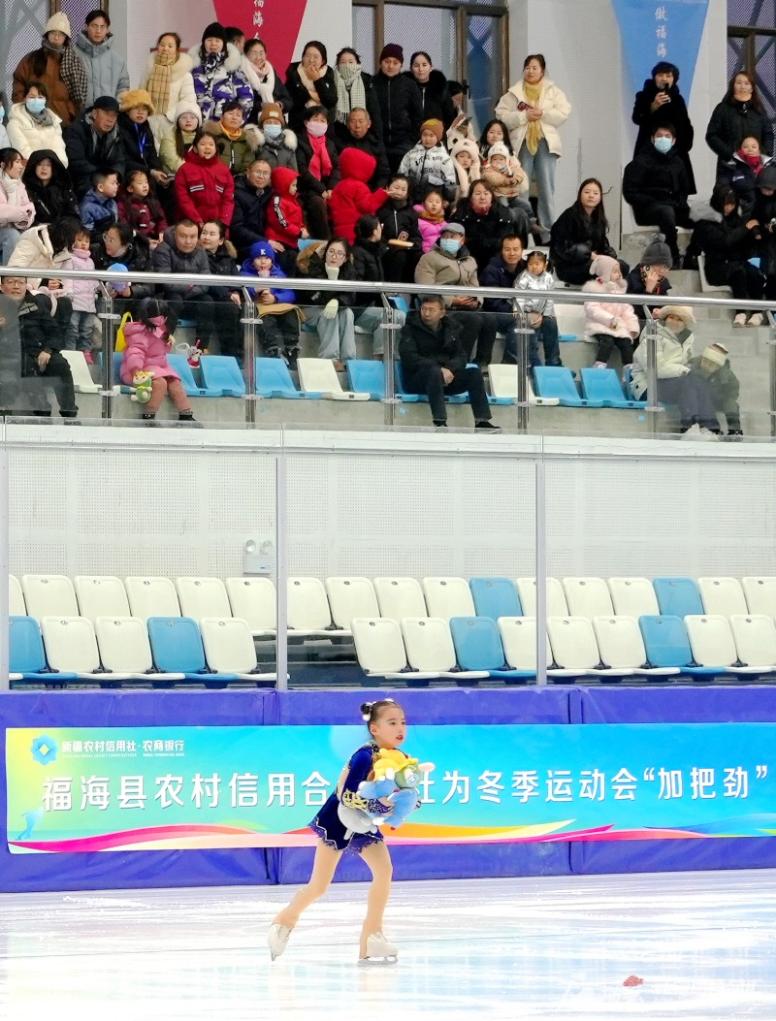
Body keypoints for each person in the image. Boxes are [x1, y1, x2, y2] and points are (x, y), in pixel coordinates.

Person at [268, 699, 413, 963]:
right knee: (319, 885)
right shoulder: (365, 755)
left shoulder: (399, 758)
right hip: (339, 818)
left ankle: (372, 937)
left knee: (384, 871)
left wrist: (403, 803)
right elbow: (346, 795)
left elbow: (399, 791)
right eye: (392, 723)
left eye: (403, 722)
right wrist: (376, 805)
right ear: (374, 729)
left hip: (364, 822)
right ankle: (283, 921)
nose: (400, 728)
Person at [495, 54, 571, 229]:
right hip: (521, 143)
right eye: (527, 68)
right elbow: (501, 115)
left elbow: (564, 112)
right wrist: (524, 116)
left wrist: (543, 114)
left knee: (547, 188)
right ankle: (522, 228)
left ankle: (547, 231)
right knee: (521, 186)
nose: (530, 71)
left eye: (534, 68)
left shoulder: (553, 91)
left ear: (542, 71)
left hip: (545, 142)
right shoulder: (514, 92)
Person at [400, 293, 498, 429]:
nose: (426, 313)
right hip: (418, 379)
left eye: (431, 310)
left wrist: (450, 369)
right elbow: (409, 358)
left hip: (445, 379)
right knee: (434, 372)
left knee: (474, 374)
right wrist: (440, 369)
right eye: (424, 309)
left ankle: (482, 420)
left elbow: (461, 356)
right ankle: (440, 421)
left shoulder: (450, 328)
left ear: (442, 313)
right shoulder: (410, 328)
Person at [631, 306, 720, 438]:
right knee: (688, 382)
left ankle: (710, 429)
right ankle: (690, 428)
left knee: (699, 382)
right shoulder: (652, 336)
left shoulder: (686, 340)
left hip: (675, 383)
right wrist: (685, 370)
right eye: (671, 317)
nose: (674, 321)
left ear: (684, 324)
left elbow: (688, 364)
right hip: (648, 386)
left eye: (679, 319)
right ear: (665, 319)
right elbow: (656, 369)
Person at [0, 273, 78, 419]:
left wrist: (48, 350)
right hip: (9, 356)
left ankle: (69, 415)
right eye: (11, 282)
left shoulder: (36, 304)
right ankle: (42, 413)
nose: (16, 286)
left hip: (39, 352)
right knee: (25, 366)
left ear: (26, 285)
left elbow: (54, 332)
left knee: (60, 365)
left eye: (20, 282)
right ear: (2, 287)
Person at [691, 184, 764, 328]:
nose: (728, 208)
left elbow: (742, 244)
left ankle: (757, 312)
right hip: (716, 267)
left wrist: (753, 234)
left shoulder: (736, 220)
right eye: (726, 204)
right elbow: (724, 241)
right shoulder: (706, 221)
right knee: (738, 271)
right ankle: (740, 312)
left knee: (753, 271)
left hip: (736, 262)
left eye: (732, 204)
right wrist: (745, 228)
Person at [623, 124, 693, 267]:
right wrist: (649, 200)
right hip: (648, 208)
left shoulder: (678, 162)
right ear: (652, 139)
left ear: (673, 140)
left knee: (703, 217)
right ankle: (673, 254)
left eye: (667, 136)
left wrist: (681, 202)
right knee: (666, 213)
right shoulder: (641, 161)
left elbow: (684, 188)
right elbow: (630, 192)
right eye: (659, 136)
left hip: (674, 205)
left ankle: (692, 256)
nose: (663, 139)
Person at [415, 222, 486, 362]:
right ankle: (460, 362)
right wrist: (452, 300)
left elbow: (475, 287)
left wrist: (476, 301)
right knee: (473, 320)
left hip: (466, 306)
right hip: (442, 308)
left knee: (490, 320)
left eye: (452, 236)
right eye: (445, 236)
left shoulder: (470, 261)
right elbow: (425, 289)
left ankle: (482, 362)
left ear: (462, 240)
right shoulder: (428, 258)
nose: (447, 239)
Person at [120, 296, 196, 425]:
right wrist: (136, 371)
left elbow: (160, 352)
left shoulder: (160, 330)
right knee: (160, 383)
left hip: (158, 368)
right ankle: (149, 415)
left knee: (174, 381)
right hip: (139, 371)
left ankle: (186, 414)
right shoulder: (139, 333)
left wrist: (167, 342)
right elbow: (135, 353)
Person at [631, 61, 696, 194]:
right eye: (660, 75)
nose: (664, 79)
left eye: (668, 76)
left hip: (675, 152)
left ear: (674, 79)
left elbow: (686, 125)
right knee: (648, 190)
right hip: (649, 151)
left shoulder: (678, 99)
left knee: (678, 192)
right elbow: (637, 118)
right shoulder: (643, 96)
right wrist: (652, 107)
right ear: (654, 77)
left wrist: (683, 146)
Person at [12, 13, 87, 126]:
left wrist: (70, 112)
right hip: (32, 120)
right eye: (53, 33)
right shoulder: (32, 59)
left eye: (61, 34)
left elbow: (77, 94)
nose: (56, 37)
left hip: (63, 123)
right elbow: (19, 83)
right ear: (47, 34)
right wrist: (23, 107)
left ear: (66, 38)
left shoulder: (73, 62)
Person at [152, 220, 215, 353]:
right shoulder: (163, 249)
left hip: (192, 297)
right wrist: (190, 286)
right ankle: (162, 344)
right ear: (175, 235)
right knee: (175, 299)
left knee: (207, 301)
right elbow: (166, 282)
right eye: (183, 236)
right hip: (166, 297)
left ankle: (200, 349)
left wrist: (190, 289)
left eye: (192, 237)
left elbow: (206, 281)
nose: (188, 241)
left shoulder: (201, 251)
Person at [299, 237, 358, 367]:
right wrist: (332, 281)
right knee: (329, 314)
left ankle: (349, 360)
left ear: (345, 258)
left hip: (332, 308)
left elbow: (351, 297)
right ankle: (329, 359)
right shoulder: (314, 267)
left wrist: (337, 300)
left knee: (347, 313)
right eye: (331, 251)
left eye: (340, 253)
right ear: (325, 253)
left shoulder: (349, 271)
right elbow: (315, 298)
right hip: (308, 310)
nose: (334, 256)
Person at [550, 178, 621, 286]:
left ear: (600, 197)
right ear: (580, 195)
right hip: (569, 266)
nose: (591, 195)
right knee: (606, 268)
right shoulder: (569, 216)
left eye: (595, 193)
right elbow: (561, 247)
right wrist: (589, 255)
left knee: (621, 266)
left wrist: (611, 258)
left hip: (592, 263)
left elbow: (603, 245)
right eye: (587, 192)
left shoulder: (598, 218)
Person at [239, 239, 300, 364]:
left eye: (266, 258)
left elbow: (290, 294)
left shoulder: (279, 274)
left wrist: (276, 298)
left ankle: (291, 348)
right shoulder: (245, 273)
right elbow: (243, 291)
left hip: (277, 306)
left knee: (290, 316)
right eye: (258, 258)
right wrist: (258, 287)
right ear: (252, 260)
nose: (263, 262)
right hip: (259, 309)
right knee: (267, 320)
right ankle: (273, 349)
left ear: (272, 260)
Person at [706, 72, 774, 175]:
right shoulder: (723, 108)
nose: (742, 86)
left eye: (746, 83)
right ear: (733, 86)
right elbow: (712, 135)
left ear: (752, 88)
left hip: (755, 168)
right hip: (729, 167)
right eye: (738, 83)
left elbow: (768, 134)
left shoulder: (759, 110)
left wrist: (763, 154)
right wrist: (730, 154)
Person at [581, 254, 639, 371]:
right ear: (605, 273)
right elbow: (593, 309)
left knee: (626, 342)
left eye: (619, 271)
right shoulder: (594, 289)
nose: (619, 274)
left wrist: (632, 327)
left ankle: (629, 369)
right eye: (615, 272)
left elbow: (627, 310)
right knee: (608, 341)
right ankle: (599, 366)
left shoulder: (619, 291)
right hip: (599, 324)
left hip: (617, 326)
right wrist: (610, 320)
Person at [372, 45, 423, 173]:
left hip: (403, 143)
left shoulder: (409, 85)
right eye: (387, 61)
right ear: (380, 62)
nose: (390, 66)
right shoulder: (372, 84)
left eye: (395, 63)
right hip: (377, 143)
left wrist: (412, 139)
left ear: (401, 65)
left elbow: (418, 115)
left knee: (402, 180)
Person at [65, 94, 126, 198]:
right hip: (82, 178)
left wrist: (114, 175)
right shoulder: (76, 130)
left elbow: (120, 161)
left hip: (105, 177)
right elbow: (76, 162)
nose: (110, 120)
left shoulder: (117, 133)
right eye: (107, 114)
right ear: (94, 113)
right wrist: (102, 176)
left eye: (114, 116)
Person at [199, 219, 243, 362]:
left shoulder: (227, 257)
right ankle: (230, 355)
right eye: (204, 233)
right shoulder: (197, 255)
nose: (206, 237)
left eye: (212, 234)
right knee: (228, 308)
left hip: (227, 297)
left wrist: (235, 292)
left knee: (248, 309)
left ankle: (242, 354)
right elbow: (207, 280)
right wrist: (228, 294)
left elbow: (236, 279)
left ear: (221, 240)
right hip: (206, 297)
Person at [141, 32, 196, 146]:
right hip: (148, 122)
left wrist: (167, 117)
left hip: (172, 124)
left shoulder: (184, 74)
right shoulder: (150, 69)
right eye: (162, 45)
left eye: (170, 46)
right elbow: (141, 94)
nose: (165, 48)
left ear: (177, 49)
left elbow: (188, 101)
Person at [192, 22, 253, 124]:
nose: (213, 44)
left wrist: (237, 120)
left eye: (217, 40)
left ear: (224, 44)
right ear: (203, 42)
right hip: (196, 124)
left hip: (224, 126)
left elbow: (246, 97)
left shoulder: (232, 67)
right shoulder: (194, 67)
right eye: (209, 40)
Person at [480, 233, 526, 365]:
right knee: (520, 321)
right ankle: (508, 363)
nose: (512, 253)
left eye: (516, 249)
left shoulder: (527, 269)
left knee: (549, 321)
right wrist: (518, 311)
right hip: (495, 315)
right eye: (507, 249)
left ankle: (552, 363)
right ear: (501, 251)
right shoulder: (491, 270)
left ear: (522, 251)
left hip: (520, 312)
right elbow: (492, 302)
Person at [454, 179, 518, 272]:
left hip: (495, 257)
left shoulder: (502, 213)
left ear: (492, 197)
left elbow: (503, 241)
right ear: (470, 198)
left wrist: (479, 242)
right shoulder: (461, 213)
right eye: (477, 194)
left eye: (486, 193)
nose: (482, 197)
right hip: (469, 258)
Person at [328, 148, 388, 245]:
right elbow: (367, 206)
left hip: (339, 230)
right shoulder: (359, 186)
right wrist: (382, 194)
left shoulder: (339, 186)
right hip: (356, 231)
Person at [296, 106, 340, 239]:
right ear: (306, 122)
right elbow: (302, 169)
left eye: (323, 120)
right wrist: (321, 190)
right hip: (306, 188)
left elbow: (337, 168)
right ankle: (326, 240)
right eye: (315, 119)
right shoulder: (299, 141)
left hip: (327, 187)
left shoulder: (329, 144)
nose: (319, 123)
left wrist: (331, 188)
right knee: (317, 203)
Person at [174, 132, 235, 228]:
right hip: (190, 224)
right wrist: (197, 220)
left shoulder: (224, 170)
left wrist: (223, 223)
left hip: (217, 226)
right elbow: (183, 199)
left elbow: (228, 200)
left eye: (211, 144)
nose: (207, 147)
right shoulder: (184, 170)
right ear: (195, 148)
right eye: (202, 144)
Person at [515, 249, 563, 368]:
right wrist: (521, 313)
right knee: (531, 326)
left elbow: (550, 299)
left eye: (537, 264)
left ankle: (554, 362)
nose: (534, 267)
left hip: (542, 313)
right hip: (527, 312)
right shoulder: (523, 277)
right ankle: (533, 363)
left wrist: (545, 314)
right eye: (531, 264)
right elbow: (519, 297)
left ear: (544, 265)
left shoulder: (549, 278)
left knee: (551, 322)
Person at [74, 9, 129, 109]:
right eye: (94, 26)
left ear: (107, 30)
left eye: (102, 27)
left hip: (108, 114)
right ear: (86, 27)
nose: (98, 31)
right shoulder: (72, 55)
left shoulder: (117, 61)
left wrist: (114, 110)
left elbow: (123, 88)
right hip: (79, 115)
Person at [7, 82, 68, 165]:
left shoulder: (53, 121)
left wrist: (58, 166)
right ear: (25, 98)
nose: (36, 100)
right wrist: (41, 166)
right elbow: (23, 150)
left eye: (40, 97)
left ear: (45, 100)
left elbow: (59, 147)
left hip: (53, 168)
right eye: (32, 97)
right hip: (29, 169)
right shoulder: (15, 123)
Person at [689, 343, 743, 438]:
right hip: (699, 399)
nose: (706, 365)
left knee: (731, 405)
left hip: (718, 398)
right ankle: (711, 430)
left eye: (711, 364)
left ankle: (735, 431)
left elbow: (733, 390)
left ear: (718, 366)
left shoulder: (726, 375)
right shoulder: (692, 367)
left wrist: (727, 398)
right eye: (705, 361)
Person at [398, 118, 456, 203]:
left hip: (433, 201)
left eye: (431, 135)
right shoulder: (411, 154)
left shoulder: (444, 158)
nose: (427, 139)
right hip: (411, 198)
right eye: (424, 135)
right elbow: (402, 173)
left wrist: (448, 198)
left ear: (438, 137)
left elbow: (450, 179)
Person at [285, 41, 338, 134]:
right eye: (307, 56)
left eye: (315, 57)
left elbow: (330, 101)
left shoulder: (328, 73)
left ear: (323, 61)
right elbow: (292, 99)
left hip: (324, 128)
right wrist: (310, 94)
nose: (311, 60)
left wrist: (317, 79)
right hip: (299, 126)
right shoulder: (294, 73)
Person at [481, 141, 532, 236]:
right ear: (490, 160)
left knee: (526, 205)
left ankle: (531, 225)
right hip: (498, 196)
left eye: (501, 159)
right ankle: (508, 228)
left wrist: (513, 176)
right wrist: (507, 180)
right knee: (506, 209)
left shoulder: (511, 168)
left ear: (507, 160)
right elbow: (494, 179)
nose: (498, 161)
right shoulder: (488, 170)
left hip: (513, 196)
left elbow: (520, 175)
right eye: (495, 159)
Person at [118, 91, 168, 187]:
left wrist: (158, 170)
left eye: (144, 109)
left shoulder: (146, 127)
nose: (140, 112)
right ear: (127, 110)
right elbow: (124, 160)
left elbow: (152, 154)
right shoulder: (120, 128)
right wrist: (150, 171)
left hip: (146, 173)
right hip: (128, 174)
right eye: (136, 108)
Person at [378, 174, 422, 283]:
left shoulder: (411, 213)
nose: (399, 192)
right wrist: (385, 247)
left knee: (419, 256)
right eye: (396, 188)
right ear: (387, 188)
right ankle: (393, 288)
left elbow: (415, 236)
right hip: (385, 249)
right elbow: (376, 233)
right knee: (399, 256)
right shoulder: (380, 209)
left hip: (405, 249)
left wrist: (412, 245)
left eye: (403, 189)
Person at [63, 225, 98, 362]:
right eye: (80, 240)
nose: (84, 244)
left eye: (87, 241)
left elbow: (93, 279)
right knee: (73, 329)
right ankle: (71, 353)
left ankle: (85, 352)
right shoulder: (70, 259)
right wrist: (68, 293)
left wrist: (96, 291)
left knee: (87, 330)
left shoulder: (91, 261)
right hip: (74, 302)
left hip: (89, 303)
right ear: (73, 241)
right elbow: (67, 277)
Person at [716, 135, 773, 217]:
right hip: (740, 211)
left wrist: (770, 189)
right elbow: (721, 185)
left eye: (754, 147)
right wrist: (730, 196)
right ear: (740, 149)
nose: (750, 149)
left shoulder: (769, 167)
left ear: (759, 150)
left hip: (764, 212)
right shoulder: (731, 166)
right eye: (745, 147)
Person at [334, 108, 390, 189]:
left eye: (361, 121)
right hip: (346, 189)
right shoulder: (339, 144)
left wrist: (375, 193)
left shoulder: (376, 144)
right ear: (348, 125)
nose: (357, 126)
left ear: (369, 124)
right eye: (353, 121)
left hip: (370, 189)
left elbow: (383, 173)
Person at [22, 150, 78, 226]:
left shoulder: (64, 190)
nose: (44, 168)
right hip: (36, 230)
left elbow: (73, 216)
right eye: (39, 164)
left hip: (62, 229)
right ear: (34, 167)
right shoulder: (25, 190)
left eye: (48, 165)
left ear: (54, 168)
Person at [204, 100, 259, 177]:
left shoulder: (247, 140)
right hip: (212, 176)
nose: (234, 117)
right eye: (230, 113)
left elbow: (248, 165)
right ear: (222, 117)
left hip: (238, 180)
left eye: (238, 115)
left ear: (242, 121)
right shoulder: (211, 135)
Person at [0, 149, 36, 264]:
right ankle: (10, 274)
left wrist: (17, 215)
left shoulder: (19, 185)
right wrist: (22, 213)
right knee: (12, 235)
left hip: (13, 228)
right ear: (3, 164)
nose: (21, 166)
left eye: (21, 162)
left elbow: (31, 211)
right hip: (5, 231)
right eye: (17, 162)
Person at [625, 235, 672, 323]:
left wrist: (661, 313)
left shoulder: (663, 284)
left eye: (666, 267)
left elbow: (662, 310)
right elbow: (632, 313)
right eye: (658, 265)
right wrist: (648, 291)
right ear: (647, 265)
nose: (662, 270)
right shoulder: (631, 280)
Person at [230, 159, 272, 258]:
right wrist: (265, 241)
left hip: (263, 241)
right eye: (258, 172)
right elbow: (236, 228)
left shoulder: (270, 193)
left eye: (265, 173)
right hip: (243, 245)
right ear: (248, 172)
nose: (261, 176)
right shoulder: (237, 193)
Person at [334, 49, 382, 132]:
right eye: (343, 62)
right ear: (337, 65)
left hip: (363, 133)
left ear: (357, 63)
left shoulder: (367, 81)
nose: (347, 65)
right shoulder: (333, 80)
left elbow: (374, 113)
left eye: (351, 62)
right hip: (338, 132)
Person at [243, 39, 292, 119]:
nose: (258, 57)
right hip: (252, 120)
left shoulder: (270, 73)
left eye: (261, 53)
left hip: (275, 119)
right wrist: (261, 106)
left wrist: (279, 105)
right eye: (254, 53)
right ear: (246, 55)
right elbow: (242, 103)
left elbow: (288, 100)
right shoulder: (242, 73)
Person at [117, 169, 168, 245]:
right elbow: (124, 226)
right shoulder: (123, 205)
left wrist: (162, 232)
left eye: (146, 182)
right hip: (136, 241)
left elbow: (161, 219)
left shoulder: (153, 201)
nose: (145, 185)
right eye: (140, 183)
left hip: (155, 238)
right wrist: (145, 240)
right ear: (130, 188)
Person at [406, 52, 456, 127]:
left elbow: (449, 116)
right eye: (416, 66)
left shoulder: (441, 88)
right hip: (410, 133)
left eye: (424, 65)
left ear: (431, 67)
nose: (420, 69)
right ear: (411, 69)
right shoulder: (404, 89)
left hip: (436, 133)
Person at [264, 166, 307, 255]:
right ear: (283, 185)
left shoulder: (292, 199)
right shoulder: (277, 201)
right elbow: (281, 222)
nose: (296, 188)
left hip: (290, 239)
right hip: (279, 239)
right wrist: (298, 232)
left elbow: (296, 219)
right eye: (293, 185)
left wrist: (302, 228)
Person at [158, 101, 202, 177]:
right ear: (177, 121)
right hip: (173, 176)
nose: (188, 120)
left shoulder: (203, 137)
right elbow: (173, 161)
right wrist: (193, 173)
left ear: (198, 121)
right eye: (184, 117)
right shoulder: (169, 136)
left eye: (192, 117)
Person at [753, 164, 776, 300]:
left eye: (770, 189)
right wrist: (756, 231)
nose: (766, 192)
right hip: (761, 243)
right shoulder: (757, 201)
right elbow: (752, 220)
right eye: (764, 189)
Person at [253, 103, 298, 171]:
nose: (272, 125)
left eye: (276, 123)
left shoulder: (288, 144)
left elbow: (293, 172)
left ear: (281, 126)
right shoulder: (255, 143)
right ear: (262, 125)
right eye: (268, 122)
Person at [79, 169, 119, 233]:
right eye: (113, 183)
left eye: (116, 183)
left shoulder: (112, 202)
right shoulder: (87, 207)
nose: (116, 186)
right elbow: (87, 234)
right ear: (100, 187)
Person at [414, 187, 449, 254]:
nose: (434, 204)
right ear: (423, 203)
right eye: (430, 201)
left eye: (437, 202)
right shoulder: (417, 221)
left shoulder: (444, 223)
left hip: (442, 254)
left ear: (441, 205)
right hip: (424, 254)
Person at [450, 138, 481, 202]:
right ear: (456, 157)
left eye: (469, 157)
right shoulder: (451, 171)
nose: (465, 160)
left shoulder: (474, 173)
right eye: (461, 156)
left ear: (472, 160)